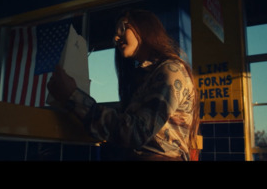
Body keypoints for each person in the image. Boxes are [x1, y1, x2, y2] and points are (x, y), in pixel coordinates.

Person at [47, 9, 201, 161]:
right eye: (115, 33)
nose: (115, 37)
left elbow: (137, 132)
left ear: (145, 28)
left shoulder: (170, 71)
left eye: (123, 28)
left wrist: (74, 96)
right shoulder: (143, 77)